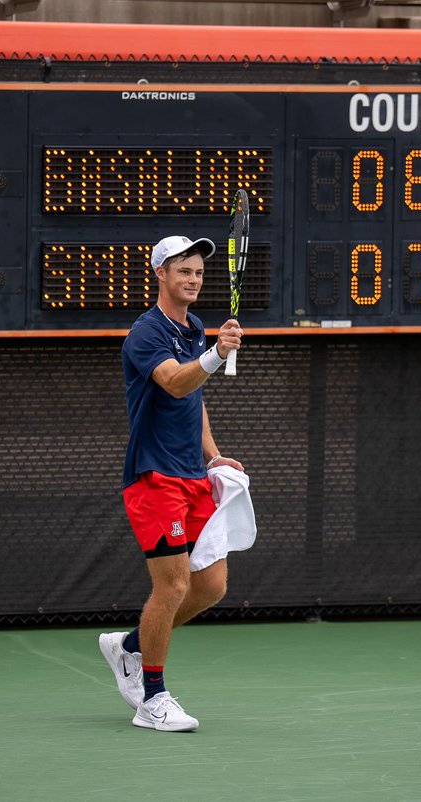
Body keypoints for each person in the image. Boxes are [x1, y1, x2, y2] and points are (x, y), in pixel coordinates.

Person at [99, 234, 245, 733]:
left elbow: (194, 401)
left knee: (211, 586)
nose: (193, 279)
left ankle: (130, 647)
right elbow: (175, 382)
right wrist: (213, 355)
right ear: (160, 273)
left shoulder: (194, 327)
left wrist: (215, 455)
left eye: (200, 272)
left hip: (192, 476)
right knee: (174, 584)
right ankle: (152, 700)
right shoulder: (146, 333)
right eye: (183, 270)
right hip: (154, 478)